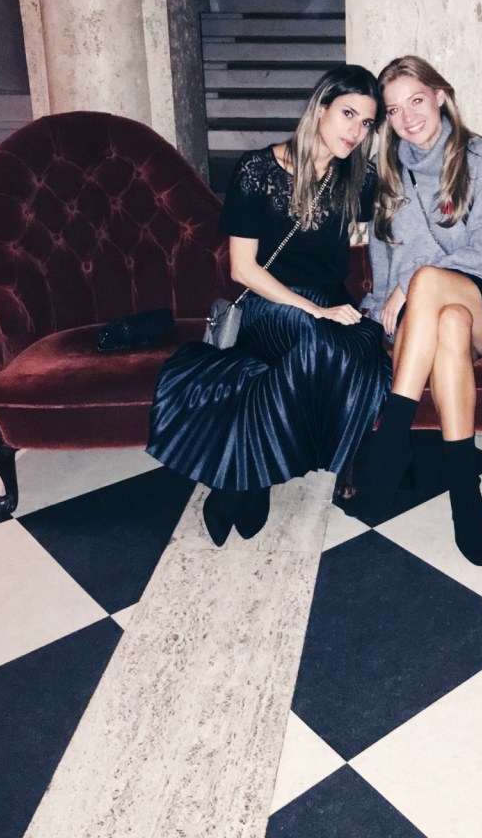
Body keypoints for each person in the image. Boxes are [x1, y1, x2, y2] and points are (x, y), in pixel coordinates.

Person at [147, 65, 391, 546]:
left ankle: (245, 477)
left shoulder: (357, 179)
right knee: (318, 338)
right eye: (347, 114)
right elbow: (243, 269)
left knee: (353, 346)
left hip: (330, 302)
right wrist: (312, 311)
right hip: (268, 303)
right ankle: (250, 478)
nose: (355, 131)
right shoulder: (257, 170)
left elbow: (399, 224)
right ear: (320, 108)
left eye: (366, 123)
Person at [353, 55, 482, 566]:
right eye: (394, 110)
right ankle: (466, 493)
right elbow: (381, 260)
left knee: (436, 290)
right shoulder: (387, 174)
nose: (407, 117)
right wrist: (381, 313)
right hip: (427, 323)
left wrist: (412, 286)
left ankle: (390, 442)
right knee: (449, 322)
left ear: (440, 96)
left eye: (416, 100)